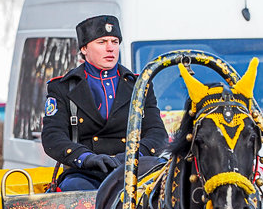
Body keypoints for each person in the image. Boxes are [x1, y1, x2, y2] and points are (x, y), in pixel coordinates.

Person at [41, 15, 168, 190]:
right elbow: (52, 137)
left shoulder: (139, 85)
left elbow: (157, 133)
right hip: (85, 173)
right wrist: (87, 158)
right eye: (101, 42)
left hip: (135, 170)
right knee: (78, 192)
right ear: (84, 48)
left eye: (114, 42)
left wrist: (133, 156)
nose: (110, 48)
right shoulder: (63, 87)